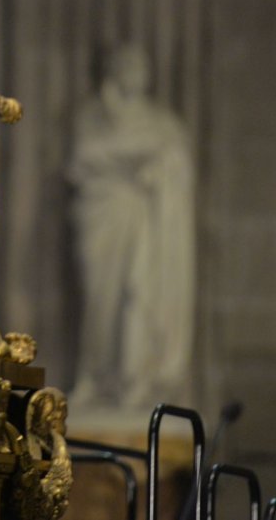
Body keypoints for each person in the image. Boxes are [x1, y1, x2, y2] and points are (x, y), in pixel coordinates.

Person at [67, 45, 195, 415]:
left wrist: (147, 167)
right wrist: (133, 158)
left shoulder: (162, 123)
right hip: (102, 221)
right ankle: (95, 376)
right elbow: (83, 158)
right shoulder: (92, 118)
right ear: (113, 70)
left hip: (145, 227)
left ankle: (134, 380)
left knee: (137, 296)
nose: (136, 72)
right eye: (128, 65)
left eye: (141, 66)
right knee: (99, 302)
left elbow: (176, 161)